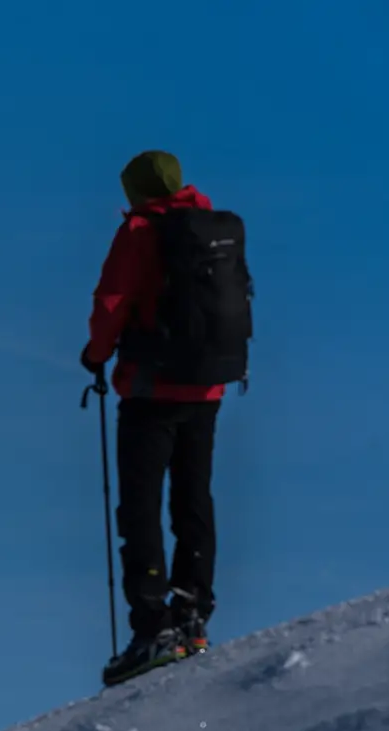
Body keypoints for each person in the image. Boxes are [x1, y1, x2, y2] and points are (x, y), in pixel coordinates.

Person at [82, 150, 248, 686]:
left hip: (151, 387)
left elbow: (112, 300)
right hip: (207, 387)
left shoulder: (140, 231)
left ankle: (153, 627)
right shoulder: (212, 227)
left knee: (141, 506)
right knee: (194, 498)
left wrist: (95, 356)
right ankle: (193, 613)